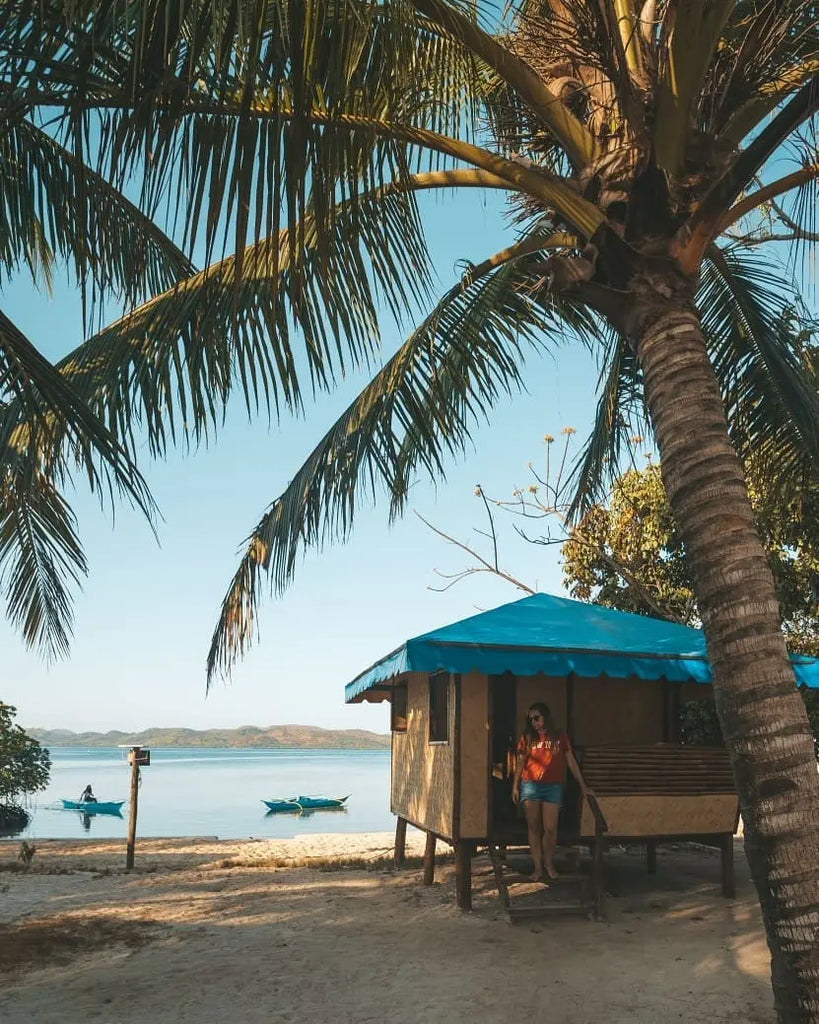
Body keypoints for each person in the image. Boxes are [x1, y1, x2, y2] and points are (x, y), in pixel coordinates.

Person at [511, 702, 592, 881]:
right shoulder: (528, 737)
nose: (534, 722)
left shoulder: (559, 737)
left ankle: (549, 862)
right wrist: (515, 785)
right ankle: (538, 867)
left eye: (537, 718)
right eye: (530, 719)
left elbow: (570, 761)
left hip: (553, 786)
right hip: (531, 785)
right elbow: (520, 762)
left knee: (550, 827)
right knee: (533, 827)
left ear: (546, 717)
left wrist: (582, 785)